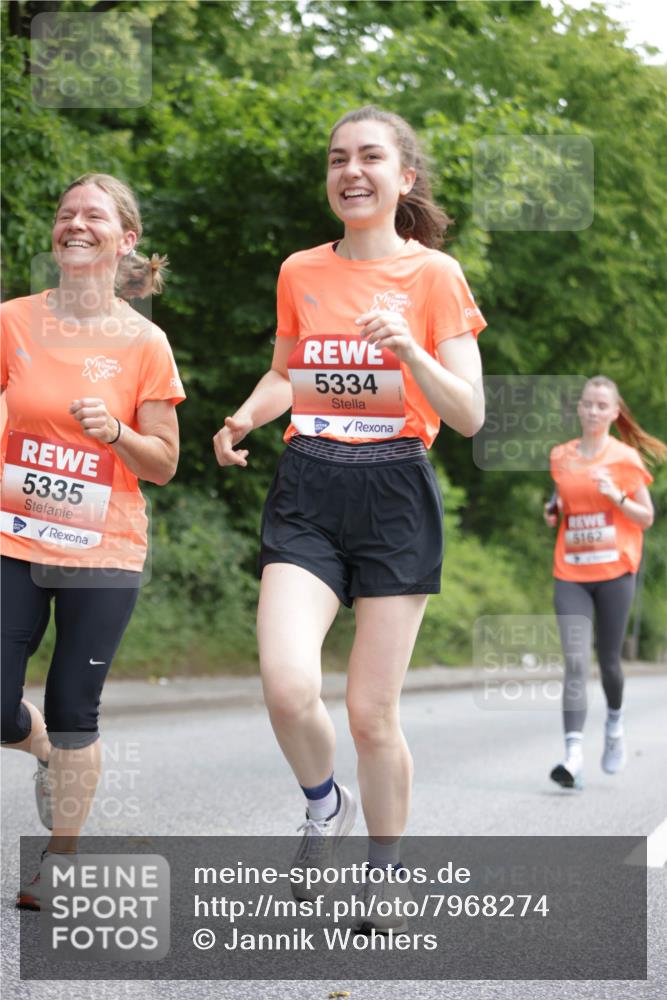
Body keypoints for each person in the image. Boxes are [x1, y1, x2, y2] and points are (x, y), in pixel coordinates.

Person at [214, 106, 485, 931]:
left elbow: (469, 414)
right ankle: (320, 803)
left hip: (395, 493)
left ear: (405, 178)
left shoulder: (435, 276)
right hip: (308, 485)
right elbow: (286, 374)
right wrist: (243, 417)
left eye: (371, 157)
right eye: (338, 158)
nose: (351, 171)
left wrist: (408, 349)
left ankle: (384, 870)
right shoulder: (301, 270)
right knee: (287, 683)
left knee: (371, 713)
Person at [1, 173, 185, 908]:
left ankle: (59, 858)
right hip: (12, 539)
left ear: (125, 239)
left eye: (94, 215)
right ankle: (39, 747)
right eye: (65, 213)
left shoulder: (144, 341)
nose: (75, 224)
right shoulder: (11, 321)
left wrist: (117, 434)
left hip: (102, 552)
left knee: (77, 704)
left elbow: (164, 463)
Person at [545, 375, 665, 790]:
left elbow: (646, 517)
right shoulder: (560, 455)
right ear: (579, 409)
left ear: (614, 413)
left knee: (609, 661)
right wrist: (553, 510)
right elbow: (561, 499)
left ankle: (614, 724)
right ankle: (573, 756)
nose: (593, 410)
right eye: (588, 404)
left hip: (615, 571)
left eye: (602, 405)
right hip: (571, 571)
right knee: (576, 661)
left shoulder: (626, 459)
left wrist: (616, 496)